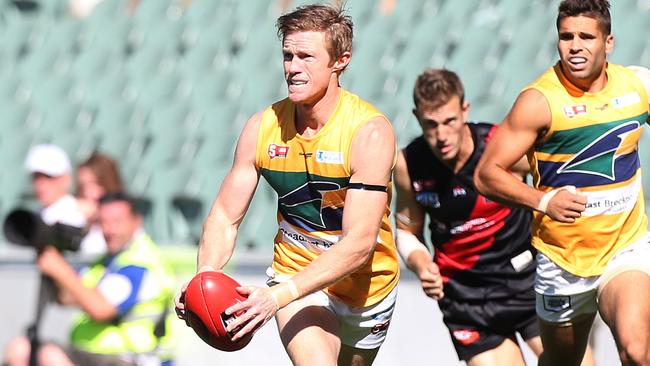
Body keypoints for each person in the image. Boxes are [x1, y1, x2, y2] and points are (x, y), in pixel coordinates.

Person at [175, 4, 399, 366]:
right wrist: (205, 278)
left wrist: (276, 297)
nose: (293, 68)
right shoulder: (262, 127)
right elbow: (224, 217)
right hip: (294, 275)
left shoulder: (369, 132)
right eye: (288, 56)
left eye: (306, 57)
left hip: (367, 288)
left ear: (340, 61)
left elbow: (359, 244)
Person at [474, 1, 650, 365]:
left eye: (586, 36)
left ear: (609, 42)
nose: (575, 46)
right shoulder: (539, 101)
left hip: (625, 247)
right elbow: (486, 173)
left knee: (637, 348)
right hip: (562, 262)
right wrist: (544, 201)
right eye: (566, 36)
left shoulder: (638, 86)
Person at [394, 68, 548, 365]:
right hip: (467, 300)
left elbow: (554, 190)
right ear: (416, 117)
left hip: (530, 283)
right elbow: (407, 231)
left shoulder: (501, 147)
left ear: (465, 110)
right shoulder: (408, 163)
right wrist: (421, 262)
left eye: (450, 121)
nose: (442, 136)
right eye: (431, 124)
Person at [3, 192, 177, 366]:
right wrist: (51, 250)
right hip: (93, 354)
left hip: (131, 358)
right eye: (103, 222)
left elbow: (101, 309)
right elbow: (66, 297)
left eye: (117, 222)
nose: (109, 230)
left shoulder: (140, 263)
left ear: (136, 221)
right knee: (21, 348)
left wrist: (59, 268)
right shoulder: (106, 262)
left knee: (50, 356)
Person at [23, 143, 105, 257]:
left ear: (66, 178)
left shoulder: (81, 214)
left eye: (48, 177)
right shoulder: (36, 214)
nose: (41, 184)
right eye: (36, 177)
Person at [75, 151, 125, 252]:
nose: (87, 193)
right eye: (82, 186)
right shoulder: (77, 218)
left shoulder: (126, 223)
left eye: (95, 184)